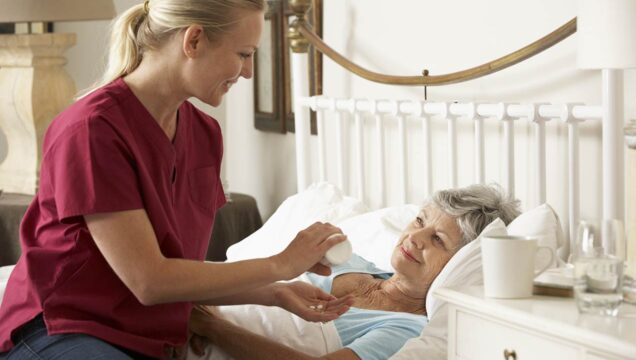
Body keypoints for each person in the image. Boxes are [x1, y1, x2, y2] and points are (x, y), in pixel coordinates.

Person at [0, 1, 352, 359]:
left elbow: (179, 273)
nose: (247, 72)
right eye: (243, 54)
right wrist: (280, 263)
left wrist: (274, 291)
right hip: (62, 331)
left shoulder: (205, 134)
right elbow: (149, 280)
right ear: (194, 40)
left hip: (145, 340)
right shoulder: (92, 130)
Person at [186, 184, 521, 360]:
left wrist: (209, 326)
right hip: (186, 308)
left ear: (460, 266)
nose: (415, 238)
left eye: (438, 239)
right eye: (419, 221)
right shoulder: (349, 260)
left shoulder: (409, 329)